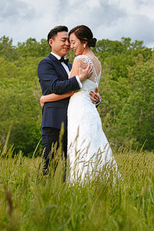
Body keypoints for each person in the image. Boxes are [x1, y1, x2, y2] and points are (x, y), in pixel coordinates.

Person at [40, 25, 119, 184]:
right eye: (64, 40)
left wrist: (44, 99)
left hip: (76, 118)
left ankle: (78, 188)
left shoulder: (76, 62)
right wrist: (79, 81)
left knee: (74, 160)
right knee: (49, 165)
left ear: (84, 42)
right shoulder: (46, 64)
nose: (68, 45)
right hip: (56, 121)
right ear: (51, 42)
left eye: (71, 41)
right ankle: (43, 194)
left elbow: (77, 90)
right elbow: (56, 86)